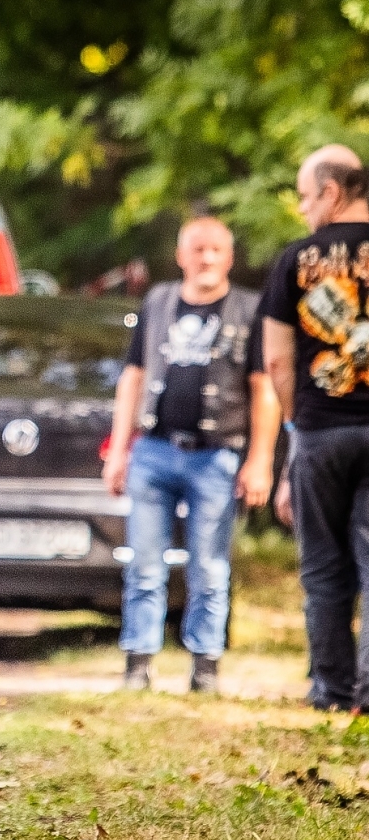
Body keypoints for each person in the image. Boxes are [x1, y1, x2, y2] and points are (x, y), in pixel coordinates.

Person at [101, 217, 279, 694]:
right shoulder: (158, 302)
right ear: (181, 255)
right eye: (197, 249)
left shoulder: (249, 309)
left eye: (215, 250)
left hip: (217, 457)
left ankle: (205, 667)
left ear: (229, 257)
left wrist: (260, 460)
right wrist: (118, 451)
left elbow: (265, 389)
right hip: (153, 452)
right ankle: (137, 665)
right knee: (143, 564)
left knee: (209, 567)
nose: (206, 258)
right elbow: (132, 378)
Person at [261, 143, 369, 714]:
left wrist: (298, 423)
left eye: (306, 198)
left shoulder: (293, 260)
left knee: (325, 566)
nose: (304, 211)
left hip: (322, 429)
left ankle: (331, 690)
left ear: (331, 191)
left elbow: (277, 360)